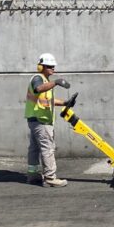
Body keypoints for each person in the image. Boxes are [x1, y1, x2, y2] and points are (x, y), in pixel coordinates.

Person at [25, 52, 71, 187]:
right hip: (41, 120)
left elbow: (48, 101)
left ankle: (33, 175)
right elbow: (38, 88)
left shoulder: (45, 81)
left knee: (34, 149)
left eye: (53, 66)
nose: (53, 69)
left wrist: (65, 103)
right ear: (41, 67)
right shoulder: (38, 78)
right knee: (48, 149)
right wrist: (56, 82)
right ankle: (50, 178)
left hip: (35, 119)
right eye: (50, 66)